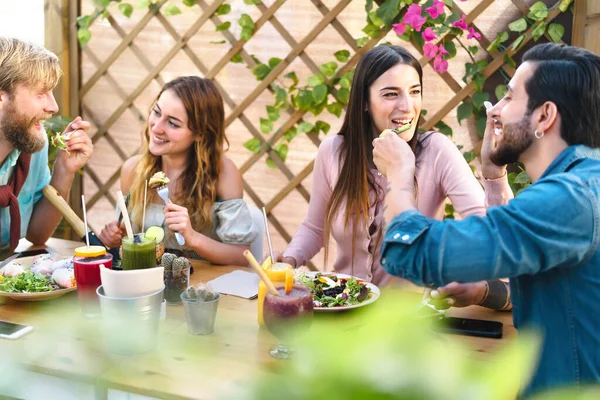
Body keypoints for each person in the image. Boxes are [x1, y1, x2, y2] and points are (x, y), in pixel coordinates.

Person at [374, 43, 600, 396]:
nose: (494, 111)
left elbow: (414, 254)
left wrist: (400, 176)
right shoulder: (582, 184)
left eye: (509, 98)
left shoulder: (568, 200)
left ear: (544, 116)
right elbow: (513, 247)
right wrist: (493, 174)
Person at [269, 44, 511, 288]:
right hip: (343, 305)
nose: (407, 106)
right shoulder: (334, 152)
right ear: (365, 102)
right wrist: (288, 261)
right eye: (391, 94)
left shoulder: (436, 151)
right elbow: (315, 227)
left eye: (414, 92)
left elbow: (489, 233)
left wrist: (495, 175)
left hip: (406, 319)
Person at [99, 76, 257, 266]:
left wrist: (193, 238)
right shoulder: (133, 170)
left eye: (172, 123)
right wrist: (114, 238)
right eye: (156, 113)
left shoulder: (223, 173)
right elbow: (127, 243)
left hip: (202, 290)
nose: (156, 128)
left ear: (200, 133)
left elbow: (242, 256)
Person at [0, 37, 93, 253]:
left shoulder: (31, 149)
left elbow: (37, 234)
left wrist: (64, 169)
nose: (54, 106)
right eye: (40, 94)